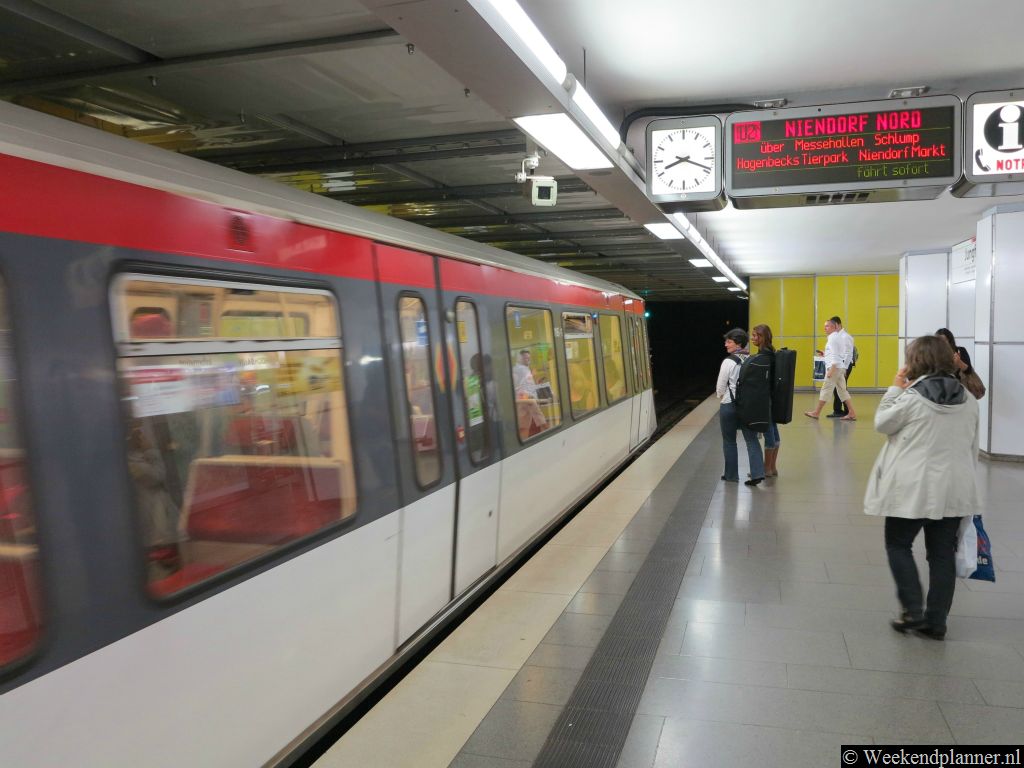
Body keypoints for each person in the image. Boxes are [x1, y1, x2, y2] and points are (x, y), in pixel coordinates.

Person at [864, 335, 979, 640]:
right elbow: (972, 447)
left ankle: (912, 609)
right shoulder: (967, 399)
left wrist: (894, 388)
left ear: (915, 361)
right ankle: (936, 622)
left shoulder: (911, 398)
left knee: (898, 545)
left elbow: (882, 424)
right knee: (942, 554)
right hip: (954, 487)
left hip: (912, 489)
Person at [716, 328, 765, 486]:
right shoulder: (752, 359)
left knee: (729, 441)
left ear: (737, 343)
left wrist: (723, 398)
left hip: (729, 405)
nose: (726, 344)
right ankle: (758, 473)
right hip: (748, 407)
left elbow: (720, 387)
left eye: (729, 342)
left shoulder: (728, 361)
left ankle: (731, 475)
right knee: (751, 440)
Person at [804, 316, 857, 421]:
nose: (825, 328)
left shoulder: (833, 338)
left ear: (834, 326)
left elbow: (837, 355)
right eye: (824, 326)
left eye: (827, 326)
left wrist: (832, 369)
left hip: (835, 368)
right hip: (839, 367)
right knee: (842, 391)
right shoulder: (837, 337)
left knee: (826, 389)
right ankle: (851, 412)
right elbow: (838, 353)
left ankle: (816, 412)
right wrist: (825, 354)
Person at [750, 324, 780, 477]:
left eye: (755, 335)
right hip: (772, 397)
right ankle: (772, 468)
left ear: (762, 337)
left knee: (768, 433)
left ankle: (766, 469)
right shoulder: (772, 352)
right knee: (773, 430)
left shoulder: (764, 356)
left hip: (764, 398)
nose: (753, 338)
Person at [936, 328, 985, 399]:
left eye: (944, 340)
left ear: (950, 340)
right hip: (943, 391)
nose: (942, 343)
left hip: (962, 388)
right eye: (939, 341)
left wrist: (959, 363)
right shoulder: (934, 354)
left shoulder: (960, 350)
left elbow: (968, 370)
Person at [828, 318, 856, 418]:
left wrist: (844, 368)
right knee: (840, 387)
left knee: (840, 388)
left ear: (838, 325)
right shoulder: (838, 337)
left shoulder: (845, 337)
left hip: (845, 366)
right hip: (840, 365)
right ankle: (842, 410)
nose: (830, 328)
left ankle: (842, 411)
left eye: (831, 325)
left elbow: (848, 354)